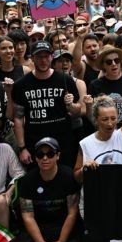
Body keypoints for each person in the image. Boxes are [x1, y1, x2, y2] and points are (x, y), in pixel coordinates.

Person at [19, 137, 81, 242]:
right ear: (35, 158)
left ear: (58, 155)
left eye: (50, 154)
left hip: (66, 234)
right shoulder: (28, 180)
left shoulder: (68, 176)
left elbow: (72, 213)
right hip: (41, 234)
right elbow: (28, 216)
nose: (45, 158)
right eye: (40, 155)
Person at [12, 40, 80, 168]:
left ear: (52, 57)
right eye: (39, 57)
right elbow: (18, 118)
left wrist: (71, 105)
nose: (43, 60)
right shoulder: (21, 85)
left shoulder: (66, 80)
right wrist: (22, 148)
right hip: (34, 143)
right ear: (32, 58)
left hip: (63, 143)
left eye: (46, 56)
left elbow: (77, 111)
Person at [76, 73, 122, 181]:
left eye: (113, 118)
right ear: (96, 120)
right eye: (105, 119)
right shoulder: (85, 144)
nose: (110, 123)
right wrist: (84, 169)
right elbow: (77, 178)